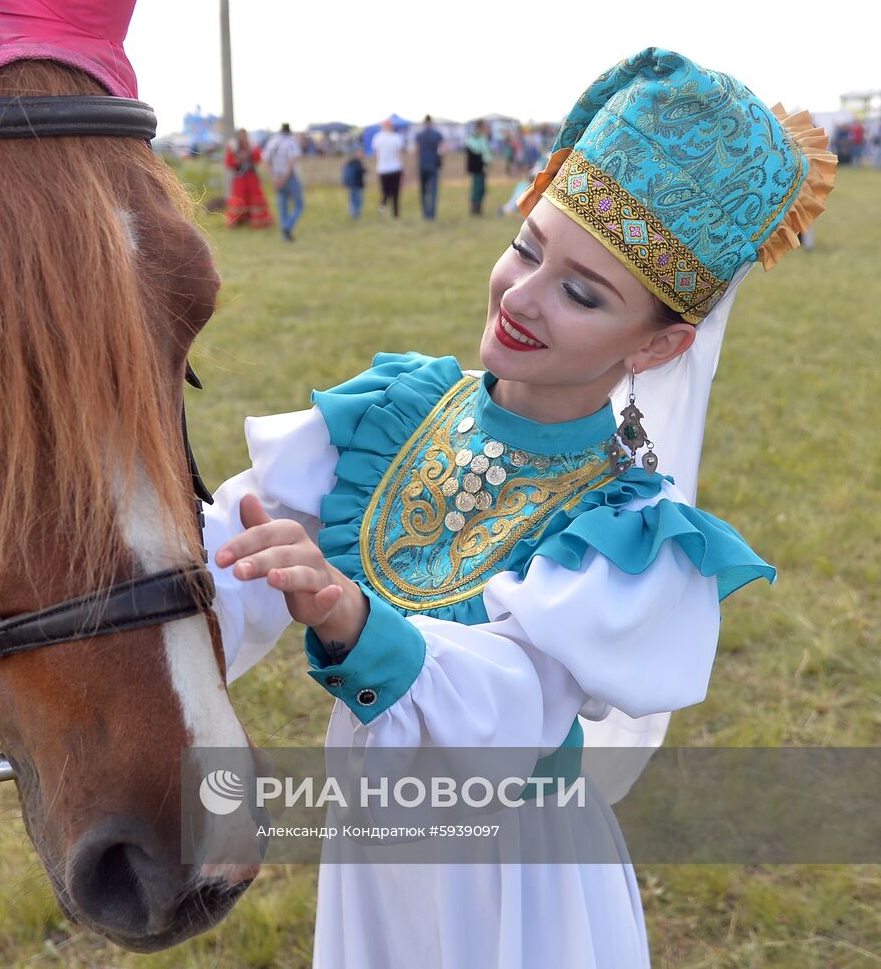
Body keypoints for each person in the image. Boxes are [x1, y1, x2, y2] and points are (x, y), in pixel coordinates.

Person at [202, 48, 834, 968]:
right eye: (528, 247)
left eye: (582, 292)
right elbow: (232, 549)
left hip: (517, 876)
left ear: (658, 347)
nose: (523, 297)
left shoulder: (628, 529)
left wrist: (353, 617)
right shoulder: (394, 414)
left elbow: (514, 700)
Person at [223, 129, 273, 229]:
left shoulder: (251, 145)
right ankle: (238, 220)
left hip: (251, 176)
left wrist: (251, 152)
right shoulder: (233, 147)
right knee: (239, 198)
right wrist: (237, 161)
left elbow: (258, 158)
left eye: (244, 135)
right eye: (241, 135)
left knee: (255, 197)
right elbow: (229, 163)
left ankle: (257, 221)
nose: (243, 138)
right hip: (239, 178)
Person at [263, 122, 304, 241]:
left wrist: (274, 177)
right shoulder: (291, 142)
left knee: (283, 206)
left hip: (277, 176)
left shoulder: (273, 142)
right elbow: (293, 161)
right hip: (289, 177)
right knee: (299, 205)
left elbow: (265, 161)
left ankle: (284, 233)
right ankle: (287, 227)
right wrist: (284, 178)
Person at [370, 117, 405, 218]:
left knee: (384, 192)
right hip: (395, 168)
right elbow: (399, 154)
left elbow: (376, 154)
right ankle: (395, 214)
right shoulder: (397, 138)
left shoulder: (377, 138)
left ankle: (382, 211)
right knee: (395, 193)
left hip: (382, 169)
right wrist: (402, 167)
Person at [414, 114, 445, 220]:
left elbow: (416, 151)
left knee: (423, 191)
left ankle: (425, 213)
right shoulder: (437, 134)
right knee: (433, 191)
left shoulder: (419, 135)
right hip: (433, 165)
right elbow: (443, 149)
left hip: (423, 165)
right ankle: (432, 214)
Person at [465, 118, 494, 215]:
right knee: (477, 188)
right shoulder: (474, 137)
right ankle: (475, 208)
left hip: (481, 166)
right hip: (477, 166)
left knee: (481, 188)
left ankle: (478, 208)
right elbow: (477, 149)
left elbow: (485, 152)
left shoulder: (481, 137)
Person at [341, 149, 368, 220]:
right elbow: (358, 171)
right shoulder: (356, 163)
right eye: (360, 152)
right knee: (357, 200)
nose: (361, 154)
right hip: (356, 184)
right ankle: (356, 215)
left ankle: (354, 214)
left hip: (352, 184)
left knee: (353, 200)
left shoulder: (350, 163)